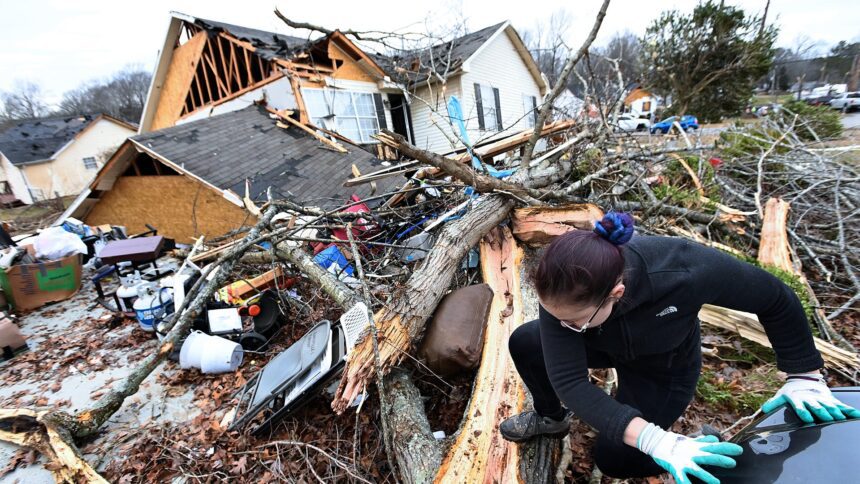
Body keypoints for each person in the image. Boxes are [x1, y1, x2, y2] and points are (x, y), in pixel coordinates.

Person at [499, 212, 860, 484]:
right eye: (555, 316)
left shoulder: (685, 269)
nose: (562, 328)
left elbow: (775, 298)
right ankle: (550, 418)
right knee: (525, 342)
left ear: (616, 294)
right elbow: (572, 383)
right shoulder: (560, 291)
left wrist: (803, 374)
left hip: (662, 362)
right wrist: (650, 435)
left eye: (573, 321)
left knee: (616, 458)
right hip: (604, 342)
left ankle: (699, 447)